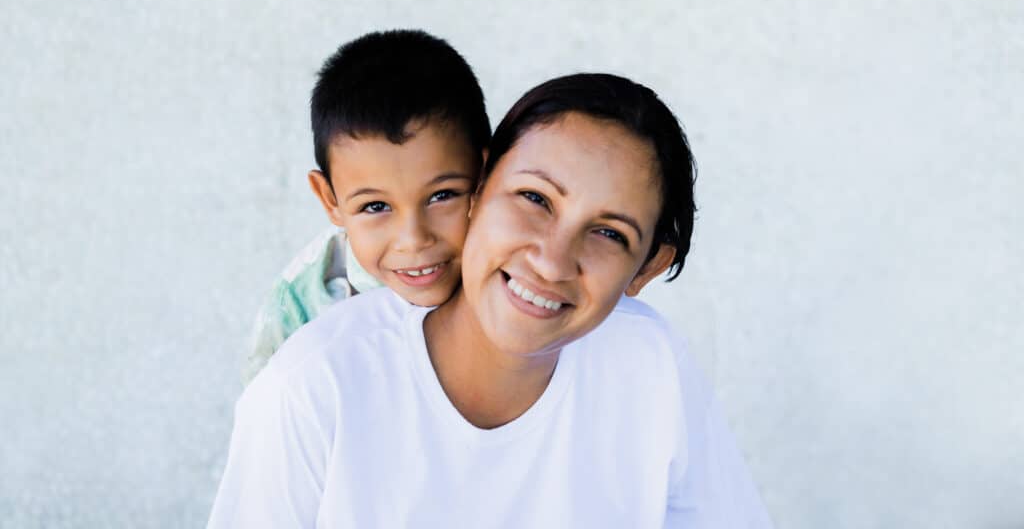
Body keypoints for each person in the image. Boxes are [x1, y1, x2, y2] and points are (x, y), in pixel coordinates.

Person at [209, 74, 773, 527]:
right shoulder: (313, 388)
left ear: (645, 268)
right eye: (534, 198)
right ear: (478, 189)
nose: (551, 261)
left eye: (609, 234)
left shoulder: (650, 367)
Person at [243, 29, 491, 384]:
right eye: (376, 206)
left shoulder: (520, 270)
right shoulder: (299, 308)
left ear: (486, 175)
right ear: (330, 200)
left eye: (442, 196)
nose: (413, 239)